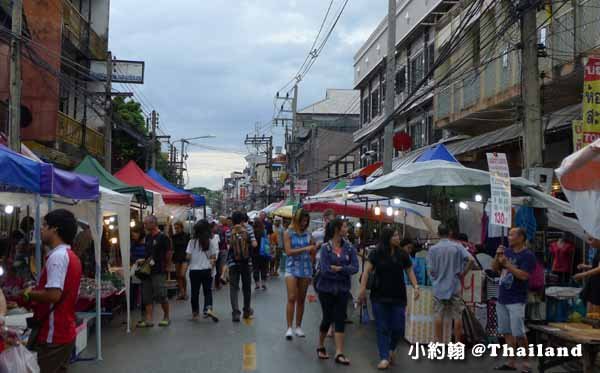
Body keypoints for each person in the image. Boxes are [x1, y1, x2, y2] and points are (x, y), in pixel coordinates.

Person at [20, 209, 82, 373]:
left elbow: (54, 295)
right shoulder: (70, 256)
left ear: (55, 229)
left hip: (54, 334)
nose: (41, 229)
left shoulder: (57, 257)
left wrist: (28, 292)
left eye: (45, 225)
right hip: (64, 331)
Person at [358, 227, 420, 370]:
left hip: (398, 296)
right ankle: (384, 357)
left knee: (398, 326)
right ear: (388, 238)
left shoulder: (402, 254)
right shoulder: (377, 253)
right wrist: (362, 289)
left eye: (398, 235)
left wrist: (416, 286)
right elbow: (367, 271)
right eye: (395, 236)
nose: (398, 238)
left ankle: (392, 348)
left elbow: (409, 270)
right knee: (382, 327)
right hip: (379, 295)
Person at [491, 227, 536, 373]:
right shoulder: (507, 251)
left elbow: (524, 276)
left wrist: (508, 265)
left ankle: (526, 363)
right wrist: (497, 256)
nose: (509, 237)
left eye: (512, 235)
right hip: (502, 297)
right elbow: (494, 268)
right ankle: (511, 362)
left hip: (517, 298)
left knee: (519, 333)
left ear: (521, 238)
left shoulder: (528, 255)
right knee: (506, 331)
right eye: (509, 234)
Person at [315, 218, 358, 365]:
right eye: (345, 226)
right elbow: (325, 270)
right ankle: (320, 345)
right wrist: (343, 271)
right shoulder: (325, 248)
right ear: (337, 229)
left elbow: (355, 268)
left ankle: (339, 352)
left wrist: (340, 269)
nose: (347, 229)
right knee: (327, 318)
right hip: (326, 289)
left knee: (340, 318)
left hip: (342, 289)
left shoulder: (350, 248)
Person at [427, 224, 474, 343]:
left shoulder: (433, 249)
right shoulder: (458, 247)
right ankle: (457, 344)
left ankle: (439, 343)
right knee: (457, 316)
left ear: (438, 234)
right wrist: (463, 273)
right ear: (450, 233)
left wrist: (436, 277)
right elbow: (471, 260)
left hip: (439, 287)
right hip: (454, 285)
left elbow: (431, 271)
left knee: (438, 315)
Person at [284, 209, 316, 340]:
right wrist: (305, 249)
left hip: (305, 268)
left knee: (301, 299)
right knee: (291, 297)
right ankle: (289, 327)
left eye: (306, 221)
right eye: (302, 221)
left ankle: (298, 326)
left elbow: (312, 251)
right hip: (292, 268)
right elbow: (288, 251)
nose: (304, 223)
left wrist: (314, 251)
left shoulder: (309, 234)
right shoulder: (289, 233)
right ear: (297, 220)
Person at [137, 215, 171, 328]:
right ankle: (149, 319)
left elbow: (168, 253)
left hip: (159, 270)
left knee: (161, 294)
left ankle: (166, 317)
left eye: (146, 223)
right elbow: (147, 253)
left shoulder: (163, 237)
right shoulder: (147, 237)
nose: (145, 226)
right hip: (147, 271)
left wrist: (167, 266)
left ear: (153, 223)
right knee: (147, 296)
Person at [187, 220, 219, 322]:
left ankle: (195, 314)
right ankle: (208, 308)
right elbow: (213, 257)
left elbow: (188, 256)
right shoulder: (209, 242)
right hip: (206, 269)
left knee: (195, 293)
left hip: (194, 270)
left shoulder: (192, 242)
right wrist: (212, 267)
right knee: (207, 291)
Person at [227, 211, 253, 322]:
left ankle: (235, 313)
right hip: (246, 263)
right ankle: (246, 311)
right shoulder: (248, 230)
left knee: (234, 288)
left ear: (232, 221)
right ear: (243, 220)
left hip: (233, 263)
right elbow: (254, 244)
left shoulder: (229, 232)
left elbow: (228, 247)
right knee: (246, 288)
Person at [574, 235, 600, 315]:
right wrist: (586, 266)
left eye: (591, 240)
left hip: (598, 284)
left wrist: (582, 274)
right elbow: (596, 266)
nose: (589, 243)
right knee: (589, 310)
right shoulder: (598, 250)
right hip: (593, 282)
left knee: (595, 312)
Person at [171, 221, 190, 300]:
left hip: (185, 257)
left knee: (182, 275)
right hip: (177, 257)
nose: (176, 230)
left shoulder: (186, 236)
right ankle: (182, 292)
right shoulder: (174, 237)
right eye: (175, 228)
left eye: (177, 228)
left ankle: (184, 292)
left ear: (182, 228)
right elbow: (172, 248)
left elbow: (190, 247)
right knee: (178, 276)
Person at [253, 218, 269, 290]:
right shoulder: (264, 232)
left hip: (255, 253)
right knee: (264, 268)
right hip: (263, 252)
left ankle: (257, 284)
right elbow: (267, 242)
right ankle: (263, 283)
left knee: (255, 268)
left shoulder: (253, 232)